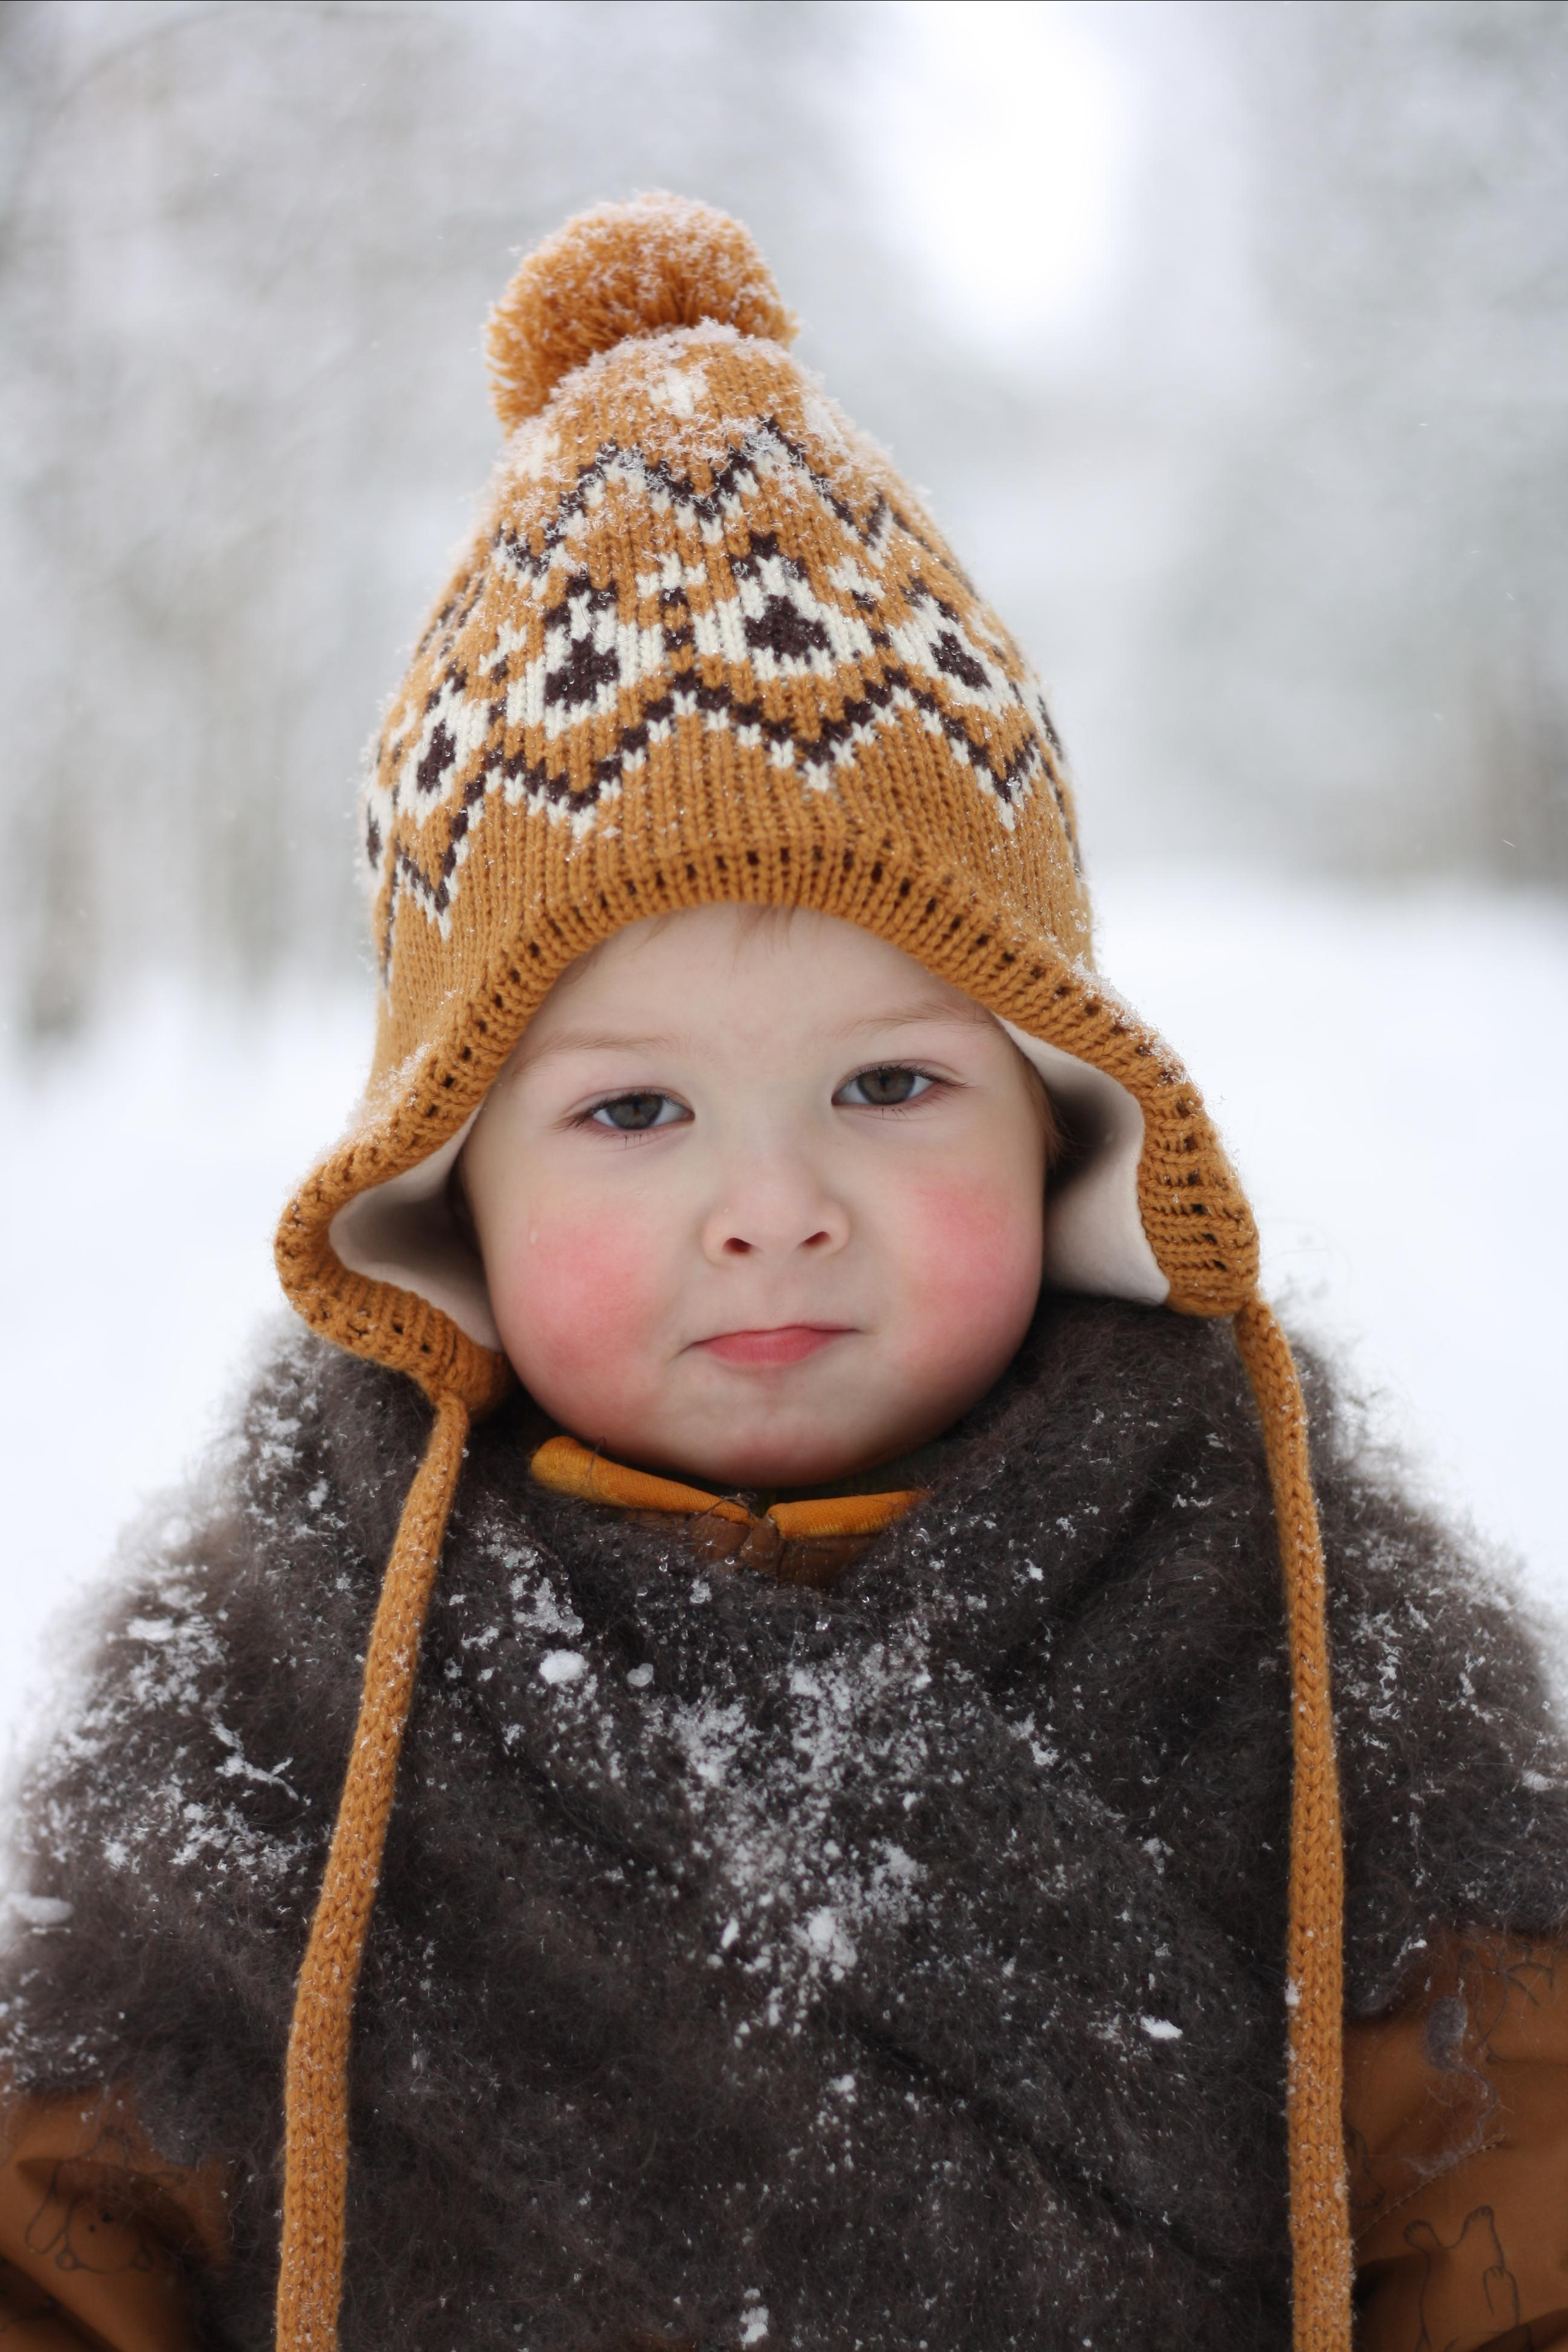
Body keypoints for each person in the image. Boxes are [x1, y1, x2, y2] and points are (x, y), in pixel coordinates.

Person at [2, 195, 1566, 2352]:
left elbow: (1512, 2210)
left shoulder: (1306, 1628)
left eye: (889, 1088)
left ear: (1062, 1123)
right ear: (446, 1196)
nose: (771, 1207)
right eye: (635, 1112)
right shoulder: (282, 1686)